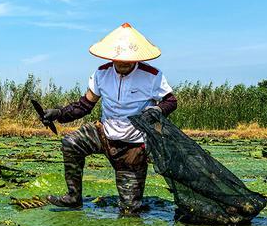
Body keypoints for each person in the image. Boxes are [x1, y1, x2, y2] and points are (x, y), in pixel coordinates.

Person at [41, 22, 177, 214]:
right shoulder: (101, 73)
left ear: (136, 58)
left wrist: (157, 111)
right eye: (119, 59)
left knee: (129, 210)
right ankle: (73, 197)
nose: (123, 63)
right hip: (105, 133)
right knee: (71, 143)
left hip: (133, 145)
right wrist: (59, 114)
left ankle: (132, 207)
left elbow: (171, 101)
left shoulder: (152, 76)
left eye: (128, 60)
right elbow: (85, 105)